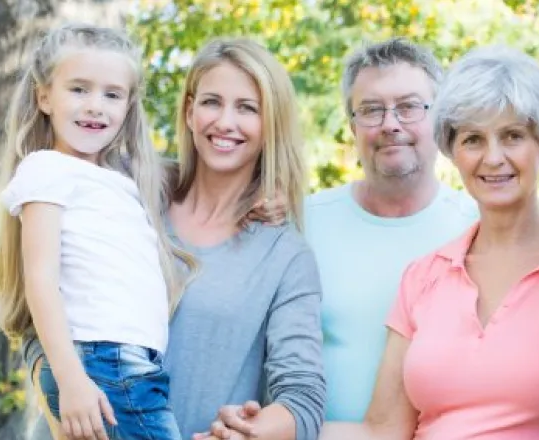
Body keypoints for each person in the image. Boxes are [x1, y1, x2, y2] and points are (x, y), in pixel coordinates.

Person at [20, 37, 327, 440]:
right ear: (189, 110)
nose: (225, 122)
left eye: (248, 108)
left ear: (272, 124)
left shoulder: (285, 255)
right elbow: (33, 312)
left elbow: (303, 398)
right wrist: (63, 398)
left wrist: (246, 432)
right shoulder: (126, 192)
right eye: (212, 102)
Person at [318, 44, 539, 440]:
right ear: (452, 150)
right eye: (472, 140)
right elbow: (382, 431)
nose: (492, 158)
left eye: (513, 136)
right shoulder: (424, 276)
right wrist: (270, 432)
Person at [0, 23, 184, 440]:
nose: (96, 105)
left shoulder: (120, 181)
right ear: (44, 98)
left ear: (128, 106)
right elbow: (41, 280)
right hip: (99, 363)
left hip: (130, 367)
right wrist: (71, 378)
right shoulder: (46, 168)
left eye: (112, 94)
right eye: (78, 89)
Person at [302, 38, 478, 422]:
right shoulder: (304, 223)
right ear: (351, 126)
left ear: (440, 117)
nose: (390, 124)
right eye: (371, 110)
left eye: (409, 107)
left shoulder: (478, 227)